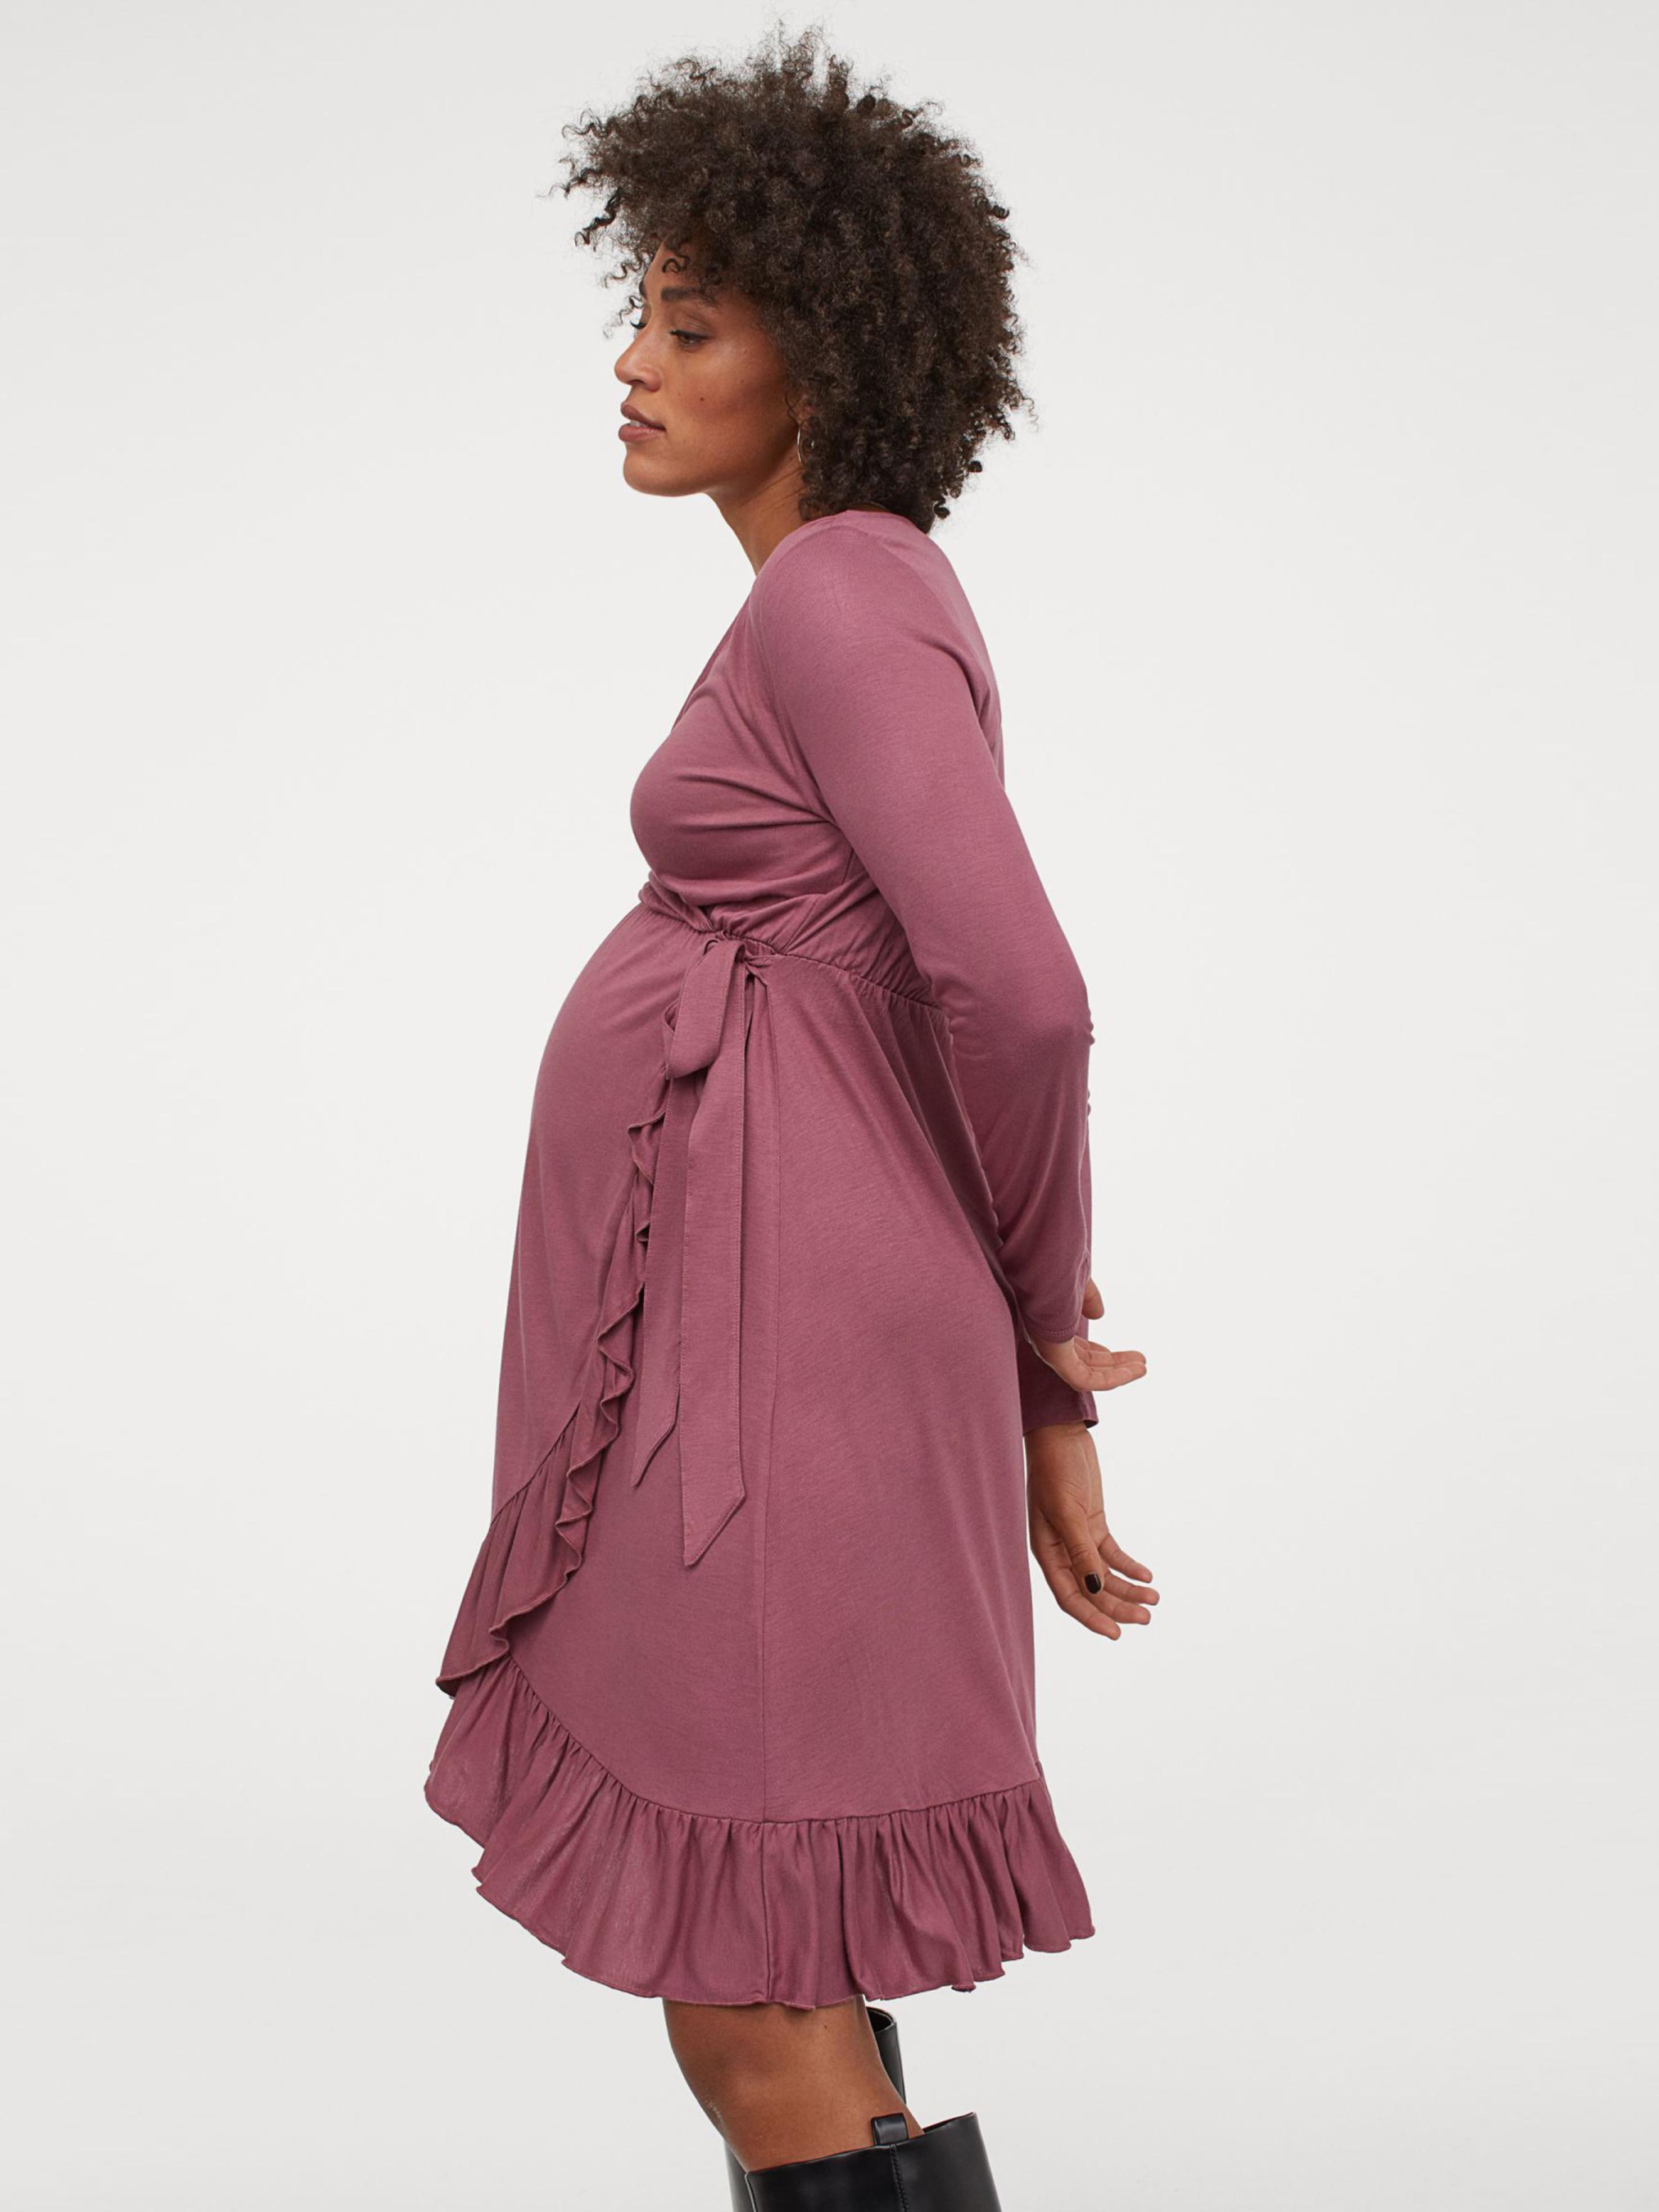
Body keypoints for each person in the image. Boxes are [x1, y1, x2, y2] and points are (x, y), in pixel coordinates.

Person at [423, 26, 1158, 2205]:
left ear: (821, 358)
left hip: (789, 1365)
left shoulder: (842, 592)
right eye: (638, 311)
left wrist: (1046, 1354)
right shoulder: (838, 594)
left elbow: (1022, 995)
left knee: (755, 1988)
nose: (633, 364)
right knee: (772, 1963)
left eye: (691, 322)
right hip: (757, 1340)